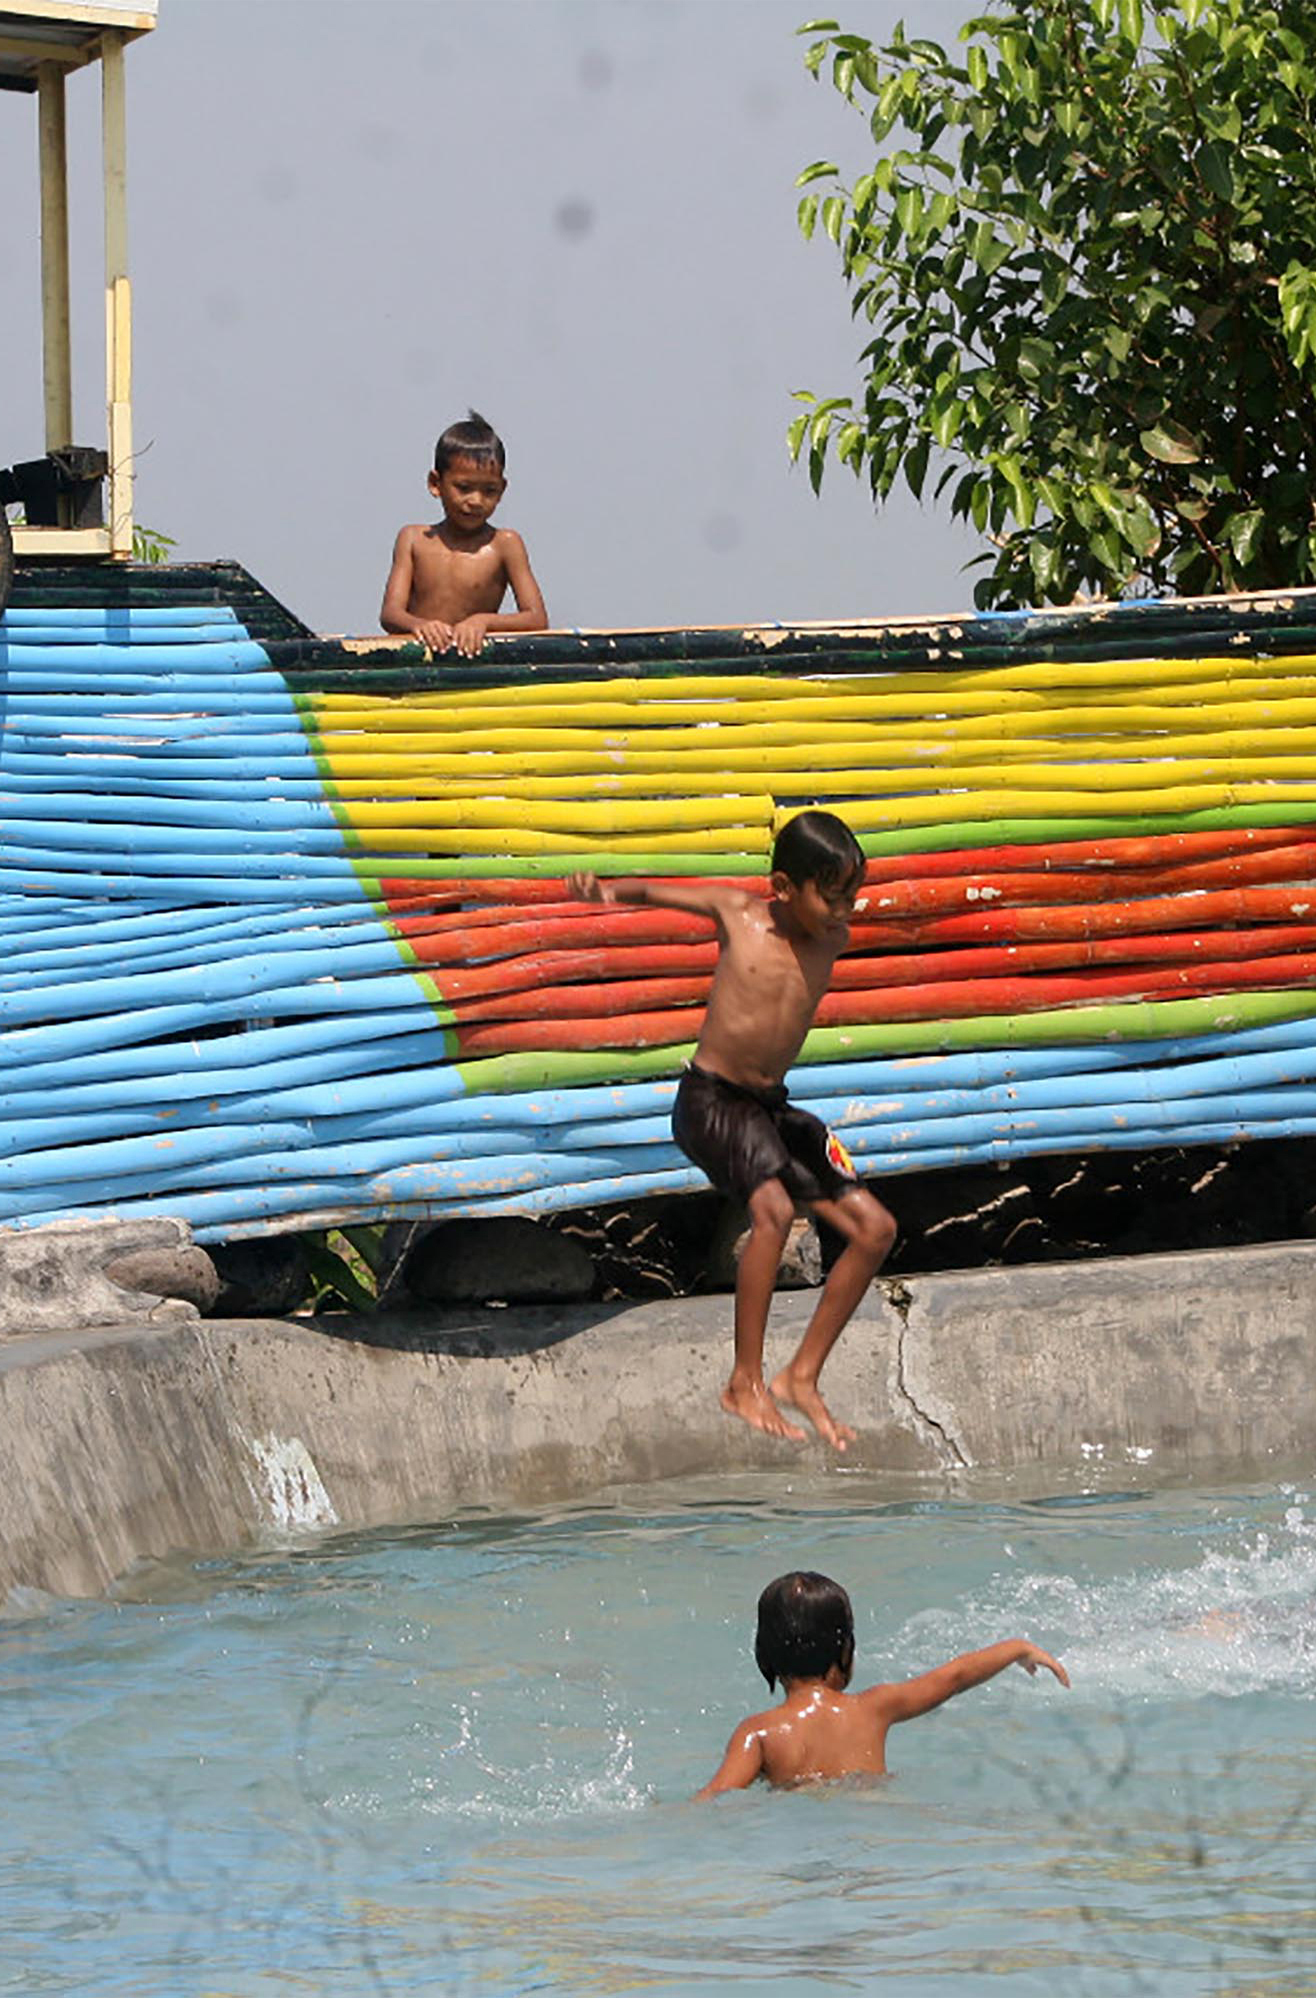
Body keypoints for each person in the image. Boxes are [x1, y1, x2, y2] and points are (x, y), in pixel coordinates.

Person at [566, 810, 896, 1450]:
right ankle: (743, 1381)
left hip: (771, 1110)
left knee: (875, 1229)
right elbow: (662, 892)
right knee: (771, 1211)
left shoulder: (832, 939)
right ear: (781, 887)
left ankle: (802, 1376)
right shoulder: (738, 915)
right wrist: (604, 890)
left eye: (851, 896)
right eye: (830, 895)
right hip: (711, 1100)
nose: (842, 911)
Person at [696, 1571, 1068, 1795]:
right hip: (875, 1824)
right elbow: (953, 1677)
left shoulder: (759, 1733)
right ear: (846, 1650)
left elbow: (715, 1799)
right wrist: (1016, 1647)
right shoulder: (874, 1708)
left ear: (764, 1654)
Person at [377, 410, 549, 654]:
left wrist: (483, 621)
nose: (476, 501)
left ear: (502, 490)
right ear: (436, 484)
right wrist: (421, 626)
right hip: (419, 666)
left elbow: (536, 618)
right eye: (464, 488)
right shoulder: (413, 539)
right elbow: (390, 614)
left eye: (489, 490)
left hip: (475, 667)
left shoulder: (505, 544)